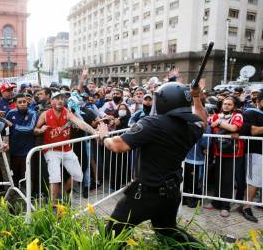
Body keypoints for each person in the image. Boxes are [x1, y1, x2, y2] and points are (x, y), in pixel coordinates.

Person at [97, 82, 207, 248]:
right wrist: (197, 97)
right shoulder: (190, 127)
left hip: (146, 194)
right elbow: (203, 122)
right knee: (167, 230)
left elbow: (117, 145)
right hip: (171, 193)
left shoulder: (153, 123)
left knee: (112, 235)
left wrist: (104, 136)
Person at [34, 91, 96, 204]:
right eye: (57, 98)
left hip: (66, 149)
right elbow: (35, 130)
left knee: (78, 176)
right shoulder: (45, 114)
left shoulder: (67, 112)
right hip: (51, 150)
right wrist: (40, 130)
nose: (60, 100)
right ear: (51, 101)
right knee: (55, 178)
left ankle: (61, 193)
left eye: (62, 98)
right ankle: (52, 204)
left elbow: (80, 123)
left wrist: (95, 132)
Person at [210, 96, 245, 217]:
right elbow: (211, 126)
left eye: (229, 104)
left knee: (228, 180)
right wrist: (225, 126)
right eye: (225, 103)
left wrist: (219, 123)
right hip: (219, 151)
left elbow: (234, 127)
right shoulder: (217, 115)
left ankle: (225, 206)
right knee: (218, 177)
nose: (226, 106)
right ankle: (216, 203)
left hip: (234, 153)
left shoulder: (237, 115)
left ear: (234, 106)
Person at [238, 91, 263, 222]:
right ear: (258, 101)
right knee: (253, 181)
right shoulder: (251, 112)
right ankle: (246, 207)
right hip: (255, 151)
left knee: (259, 180)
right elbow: (254, 131)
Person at [6, 93, 38, 186]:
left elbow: (30, 129)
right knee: (14, 175)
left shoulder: (32, 113)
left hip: (27, 151)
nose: (23, 103)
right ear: (15, 104)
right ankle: (16, 195)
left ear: (27, 102)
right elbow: (5, 128)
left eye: (24, 101)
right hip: (14, 150)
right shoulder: (11, 113)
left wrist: (14, 126)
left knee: (28, 176)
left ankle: (29, 197)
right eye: (20, 102)